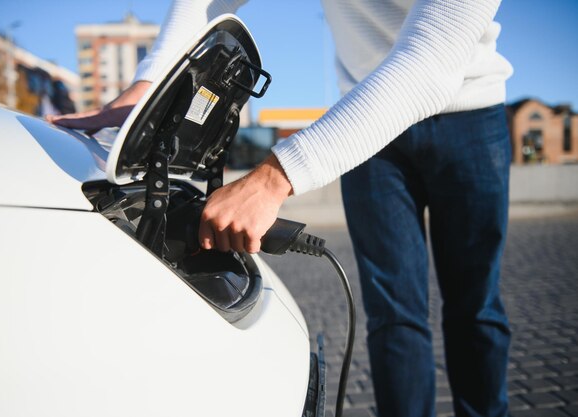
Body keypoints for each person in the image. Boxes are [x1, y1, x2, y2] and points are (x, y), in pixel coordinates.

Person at [50, 1, 513, 415]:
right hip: (370, 127)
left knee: (475, 306)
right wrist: (151, 82)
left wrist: (273, 178)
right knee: (394, 313)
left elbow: (430, 65)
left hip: (470, 114)